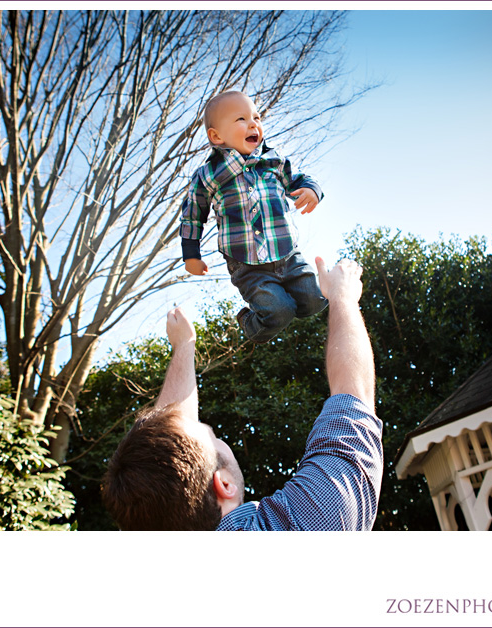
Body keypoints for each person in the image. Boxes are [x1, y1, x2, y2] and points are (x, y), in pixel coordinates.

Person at [102, 258, 383, 531]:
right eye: (213, 436)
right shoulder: (303, 525)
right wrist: (343, 296)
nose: (205, 426)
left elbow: (168, 440)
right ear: (224, 485)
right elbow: (353, 399)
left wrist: (185, 346)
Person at [179, 90, 327, 343]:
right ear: (216, 136)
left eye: (256, 118)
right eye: (241, 119)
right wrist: (191, 255)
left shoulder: (274, 161)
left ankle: (285, 302)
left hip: (288, 254)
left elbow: (301, 179)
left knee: (316, 301)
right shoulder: (208, 175)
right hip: (246, 263)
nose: (253, 124)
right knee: (278, 313)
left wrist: (313, 190)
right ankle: (251, 322)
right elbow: (192, 215)